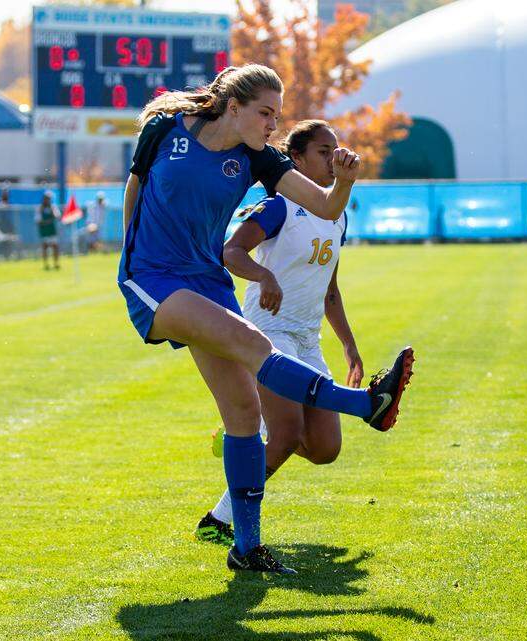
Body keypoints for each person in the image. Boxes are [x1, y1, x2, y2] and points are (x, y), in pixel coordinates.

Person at [118, 64, 415, 574]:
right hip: (154, 275)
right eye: (265, 113)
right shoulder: (163, 129)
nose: (273, 125)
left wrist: (344, 182)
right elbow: (135, 190)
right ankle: (365, 404)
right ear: (233, 107)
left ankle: (246, 546)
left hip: (206, 278)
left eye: (277, 115)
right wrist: (131, 255)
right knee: (255, 345)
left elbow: (324, 206)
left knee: (240, 413)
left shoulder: (258, 157)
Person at [194, 120, 370, 546]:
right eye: (323, 152)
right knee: (289, 434)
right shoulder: (278, 206)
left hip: (308, 338)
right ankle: (218, 521)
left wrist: (349, 345)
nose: (333, 159)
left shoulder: (337, 213)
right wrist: (264, 275)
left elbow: (330, 289)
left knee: (326, 449)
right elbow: (231, 252)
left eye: (335, 150)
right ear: (297, 159)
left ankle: (253, 442)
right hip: (270, 332)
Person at [36, 190, 61, 270]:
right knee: (45, 247)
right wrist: (48, 221)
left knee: (55, 246)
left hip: (52, 231)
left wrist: (52, 211)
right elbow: (38, 221)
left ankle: (56, 263)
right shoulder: (40, 208)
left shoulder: (53, 207)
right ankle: (46, 264)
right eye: (46, 198)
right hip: (44, 231)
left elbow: (57, 216)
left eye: (49, 199)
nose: (47, 200)